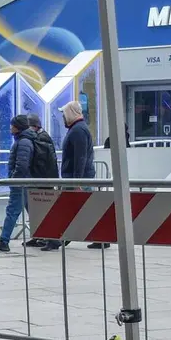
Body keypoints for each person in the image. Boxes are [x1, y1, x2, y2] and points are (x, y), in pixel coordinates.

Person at [60, 101, 106, 249]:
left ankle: (65, 236)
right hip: (79, 176)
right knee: (80, 207)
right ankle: (68, 236)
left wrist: (77, 182)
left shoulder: (78, 131)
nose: (63, 117)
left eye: (64, 114)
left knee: (77, 207)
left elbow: (80, 157)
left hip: (78, 177)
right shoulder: (78, 129)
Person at [0, 114, 37, 252]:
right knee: (33, 211)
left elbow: (22, 164)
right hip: (26, 181)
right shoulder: (25, 140)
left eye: (12, 125)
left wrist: (13, 178)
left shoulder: (23, 142)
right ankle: (46, 237)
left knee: (12, 211)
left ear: (17, 127)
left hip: (20, 183)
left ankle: (4, 240)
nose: (10, 128)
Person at [24, 113, 61, 252]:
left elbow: (41, 161)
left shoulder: (41, 139)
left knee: (44, 210)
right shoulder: (42, 138)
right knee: (36, 208)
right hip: (44, 179)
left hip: (43, 180)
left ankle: (52, 239)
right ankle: (40, 236)